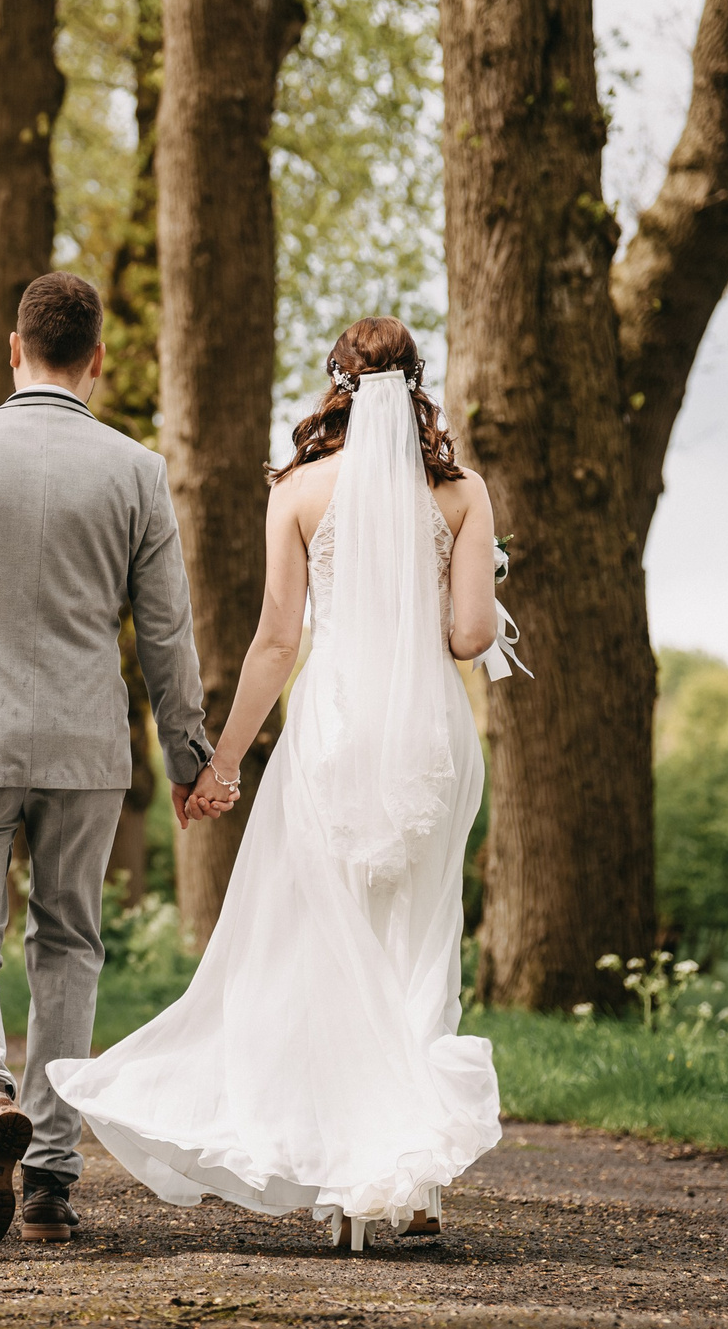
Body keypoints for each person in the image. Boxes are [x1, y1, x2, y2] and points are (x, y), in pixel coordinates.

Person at [44, 316, 515, 1253]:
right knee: (421, 939)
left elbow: (275, 642)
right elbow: (470, 637)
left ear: (337, 385)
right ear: (417, 383)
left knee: (332, 945)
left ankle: (346, 1179)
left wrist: (220, 764)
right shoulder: (463, 492)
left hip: (333, 732)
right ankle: (415, 1181)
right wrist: (473, 586)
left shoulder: (297, 491)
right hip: (427, 734)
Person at [0, 272, 215, 1255]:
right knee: (68, 945)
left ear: (13, 349)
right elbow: (167, 636)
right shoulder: (137, 471)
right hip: (85, 748)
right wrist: (188, 754)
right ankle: (50, 1180)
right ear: (98, 358)